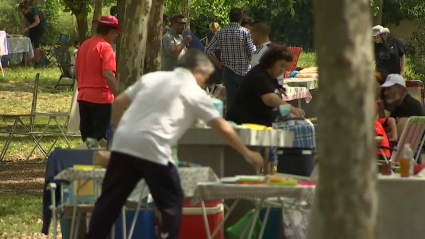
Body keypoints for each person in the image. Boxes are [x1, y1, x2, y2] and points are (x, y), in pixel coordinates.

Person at [84, 49, 263, 239]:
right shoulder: (195, 92)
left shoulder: (152, 78)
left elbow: (119, 102)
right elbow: (223, 128)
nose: (205, 83)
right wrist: (247, 153)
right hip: (154, 148)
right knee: (172, 201)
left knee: (109, 201)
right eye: (206, 78)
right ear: (197, 71)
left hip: (123, 144)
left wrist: (122, 133)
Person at [226, 44, 305, 174]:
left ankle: (269, 174)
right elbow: (269, 99)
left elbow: (273, 89)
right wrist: (290, 108)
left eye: (285, 66)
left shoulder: (268, 75)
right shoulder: (259, 75)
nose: (282, 70)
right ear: (271, 62)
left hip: (261, 122)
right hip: (245, 123)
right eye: (281, 66)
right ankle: (266, 174)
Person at [73, 16, 120, 142]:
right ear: (110, 32)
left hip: (83, 97)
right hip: (102, 99)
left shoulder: (84, 45)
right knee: (100, 138)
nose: (115, 37)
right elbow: (108, 74)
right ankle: (99, 160)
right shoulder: (106, 47)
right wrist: (119, 94)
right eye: (115, 33)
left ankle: (87, 160)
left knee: (88, 137)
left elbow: (75, 72)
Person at [206, 8, 256, 109]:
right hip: (244, 72)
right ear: (241, 19)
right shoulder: (245, 32)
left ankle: (232, 123)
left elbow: (208, 50)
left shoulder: (221, 33)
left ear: (229, 18)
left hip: (228, 71)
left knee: (231, 103)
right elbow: (253, 52)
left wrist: (218, 63)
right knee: (246, 103)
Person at [18, 0, 47, 65]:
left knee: (36, 44)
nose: (23, 12)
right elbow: (26, 21)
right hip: (32, 27)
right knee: (28, 42)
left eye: (24, 10)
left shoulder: (34, 10)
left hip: (40, 28)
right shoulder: (24, 13)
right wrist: (24, 29)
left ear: (27, 8)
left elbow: (37, 21)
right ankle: (25, 61)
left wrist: (28, 27)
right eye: (22, 11)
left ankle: (38, 61)